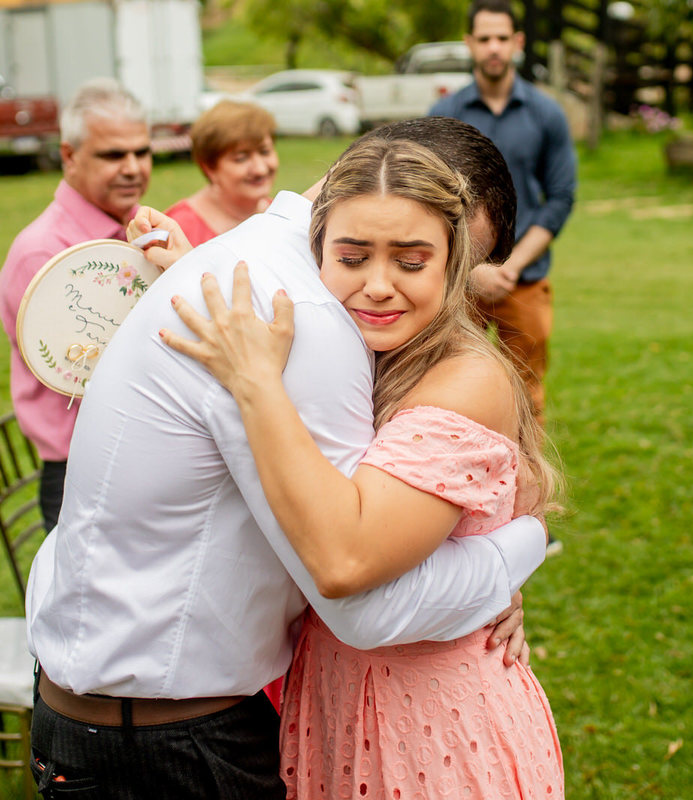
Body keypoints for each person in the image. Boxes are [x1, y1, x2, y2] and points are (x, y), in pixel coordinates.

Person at [26, 117, 543, 799]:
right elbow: (356, 589)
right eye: (369, 251)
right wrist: (518, 550)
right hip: (171, 743)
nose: (415, 294)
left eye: (428, 264)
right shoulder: (302, 318)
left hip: (127, 714)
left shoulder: (252, 265)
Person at [164, 136, 563, 799]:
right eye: (353, 255)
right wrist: (188, 275)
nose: (380, 284)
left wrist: (510, 561)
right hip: (337, 702)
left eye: (416, 260)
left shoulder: (462, 378)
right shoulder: (359, 356)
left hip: (432, 725)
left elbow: (348, 560)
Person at [0, 77, 150, 529]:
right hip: (80, 475)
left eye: (141, 152)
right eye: (113, 154)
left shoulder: (135, 230)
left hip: (134, 460)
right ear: (69, 156)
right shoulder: (44, 253)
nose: (132, 167)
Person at [431, 0, 577, 427]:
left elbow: (561, 198)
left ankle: (525, 491)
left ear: (518, 42)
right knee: (449, 391)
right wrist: (470, 268)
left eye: (501, 38)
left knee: (526, 398)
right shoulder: (446, 114)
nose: (493, 47)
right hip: (458, 282)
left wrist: (510, 265)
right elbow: (430, 201)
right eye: (484, 39)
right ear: (469, 44)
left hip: (525, 280)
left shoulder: (546, 113)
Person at [165, 100, 278, 245]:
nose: (260, 169)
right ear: (209, 167)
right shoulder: (178, 229)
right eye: (241, 158)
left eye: (265, 152)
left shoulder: (283, 214)